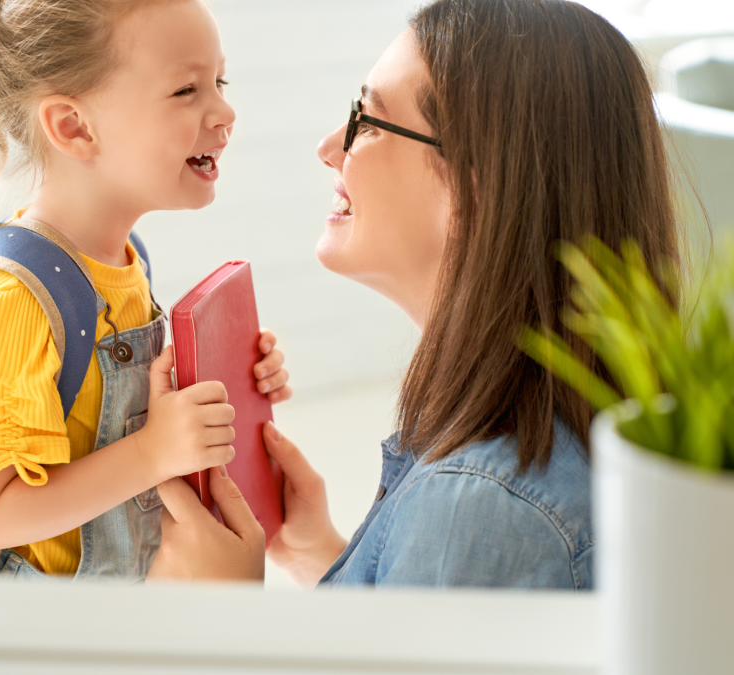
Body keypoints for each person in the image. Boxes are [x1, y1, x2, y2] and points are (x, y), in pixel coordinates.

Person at [147, 0, 681, 589]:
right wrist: (316, 553)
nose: (330, 147)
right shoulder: (536, 451)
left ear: (475, 191)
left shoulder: (478, 508)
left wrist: (221, 603)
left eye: (368, 122)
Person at [0, 0, 292, 579]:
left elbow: (95, 420)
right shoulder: (15, 303)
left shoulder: (123, 260)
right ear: (74, 127)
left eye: (219, 83)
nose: (225, 111)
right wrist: (153, 450)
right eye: (186, 90)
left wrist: (216, 385)